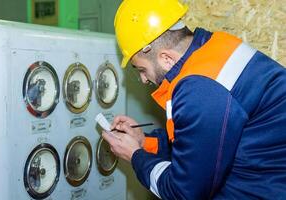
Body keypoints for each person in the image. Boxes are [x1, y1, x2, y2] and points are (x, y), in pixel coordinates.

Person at [102, 0, 286, 199]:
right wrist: (144, 142)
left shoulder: (200, 90)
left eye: (142, 70)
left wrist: (135, 156)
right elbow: (201, 142)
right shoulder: (215, 45)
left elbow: (184, 193)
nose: (144, 79)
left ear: (166, 58)